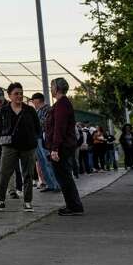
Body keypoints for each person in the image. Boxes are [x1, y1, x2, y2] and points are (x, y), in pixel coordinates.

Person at [0, 83, 39, 212]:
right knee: (3, 173)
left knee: (28, 174)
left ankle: (28, 202)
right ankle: (0, 200)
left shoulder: (29, 110)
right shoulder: (4, 110)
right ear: (10, 96)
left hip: (28, 147)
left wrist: (33, 140)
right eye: (16, 93)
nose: (19, 96)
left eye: (21, 93)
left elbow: (37, 127)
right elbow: (0, 127)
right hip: (9, 146)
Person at [44, 78, 84, 216]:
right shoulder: (64, 103)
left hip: (61, 147)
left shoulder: (61, 105)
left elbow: (59, 127)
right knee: (65, 176)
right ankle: (74, 205)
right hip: (64, 145)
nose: (51, 89)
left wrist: (55, 148)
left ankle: (73, 206)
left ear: (56, 88)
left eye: (51, 86)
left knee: (64, 176)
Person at [29, 93, 60, 193]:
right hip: (38, 138)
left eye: (33, 101)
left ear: (37, 100)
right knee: (42, 163)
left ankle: (56, 185)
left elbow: (45, 124)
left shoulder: (47, 110)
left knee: (48, 162)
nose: (33, 103)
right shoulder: (40, 110)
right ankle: (50, 184)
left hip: (44, 139)